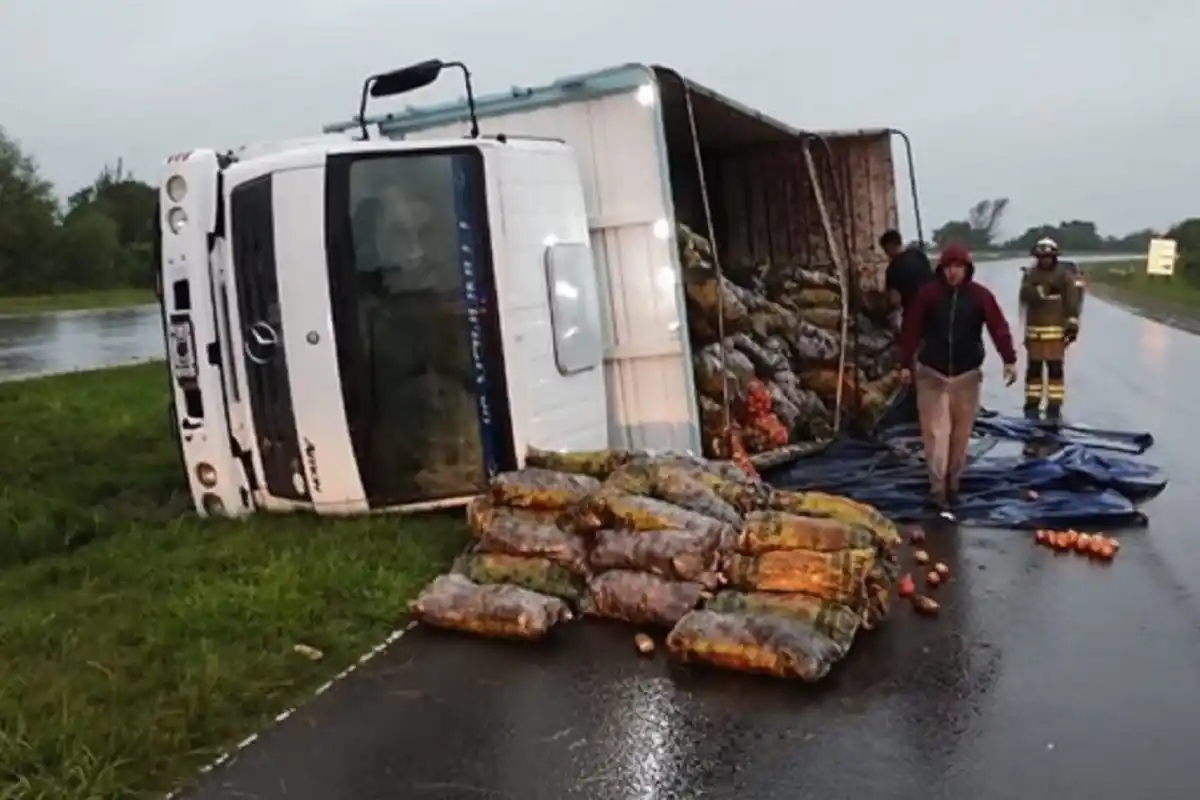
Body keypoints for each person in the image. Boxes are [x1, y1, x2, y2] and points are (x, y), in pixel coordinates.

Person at [897, 243, 1018, 510]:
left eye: (959, 267)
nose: (953, 273)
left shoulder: (979, 296)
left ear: (967, 269)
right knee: (936, 434)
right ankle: (937, 488)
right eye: (949, 267)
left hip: (966, 376)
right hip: (933, 374)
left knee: (960, 436)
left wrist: (1008, 359)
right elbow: (911, 328)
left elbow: (997, 325)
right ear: (941, 269)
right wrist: (905, 363)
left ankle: (954, 485)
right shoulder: (927, 295)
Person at [1018, 237, 1081, 422]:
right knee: (1033, 372)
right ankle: (1032, 404)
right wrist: (1042, 290)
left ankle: (1054, 406)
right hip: (1034, 335)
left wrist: (1071, 327)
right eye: (1041, 257)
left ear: (1054, 257)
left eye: (1048, 256)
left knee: (1055, 371)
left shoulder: (1064, 277)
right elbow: (1025, 295)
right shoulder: (1030, 275)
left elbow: (1072, 304)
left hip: (1055, 336)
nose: (1045, 260)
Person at [879, 229, 934, 424]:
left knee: (913, 356)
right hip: (936, 312)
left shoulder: (893, 269)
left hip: (914, 315)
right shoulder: (919, 256)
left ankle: (917, 403)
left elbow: (894, 300)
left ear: (889, 247)